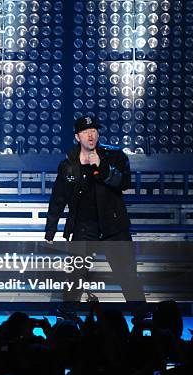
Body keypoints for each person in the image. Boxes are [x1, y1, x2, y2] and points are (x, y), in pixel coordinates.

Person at [45, 115, 145, 304]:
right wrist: (51, 229)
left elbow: (124, 182)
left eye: (93, 131)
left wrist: (102, 167)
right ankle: (67, 316)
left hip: (114, 227)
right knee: (75, 277)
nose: (90, 135)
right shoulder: (68, 165)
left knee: (127, 275)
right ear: (77, 137)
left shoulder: (114, 156)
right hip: (84, 227)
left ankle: (141, 316)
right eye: (85, 132)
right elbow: (58, 198)